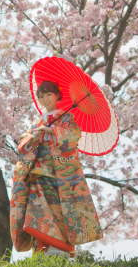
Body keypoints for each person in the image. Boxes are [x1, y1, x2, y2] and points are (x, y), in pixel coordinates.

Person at [10, 80, 103, 257]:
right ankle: (41, 247)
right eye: (41, 96)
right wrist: (34, 137)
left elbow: (73, 137)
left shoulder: (67, 117)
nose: (45, 100)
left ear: (57, 95)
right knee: (36, 208)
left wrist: (53, 131)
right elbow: (23, 145)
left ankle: (58, 246)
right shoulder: (37, 121)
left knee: (57, 209)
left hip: (57, 173)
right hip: (36, 172)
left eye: (48, 95)